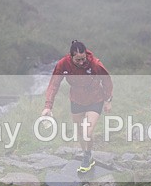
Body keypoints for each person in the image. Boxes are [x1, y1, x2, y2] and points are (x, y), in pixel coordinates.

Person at [42, 40, 113, 173]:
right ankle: (86, 152)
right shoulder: (63, 64)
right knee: (80, 132)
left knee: (87, 132)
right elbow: (54, 84)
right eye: (77, 60)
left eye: (83, 59)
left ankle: (87, 155)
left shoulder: (95, 64)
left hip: (95, 98)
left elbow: (107, 80)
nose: (81, 62)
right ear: (71, 56)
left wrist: (108, 100)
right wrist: (48, 106)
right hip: (76, 100)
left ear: (86, 54)